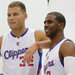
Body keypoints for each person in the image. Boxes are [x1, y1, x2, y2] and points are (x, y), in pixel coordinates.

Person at [0, 1, 50, 75]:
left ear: (25, 16)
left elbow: (58, 43)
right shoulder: (2, 39)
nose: (11, 18)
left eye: (15, 14)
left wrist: (37, 45)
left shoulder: (37, 34)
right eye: (9, 15)